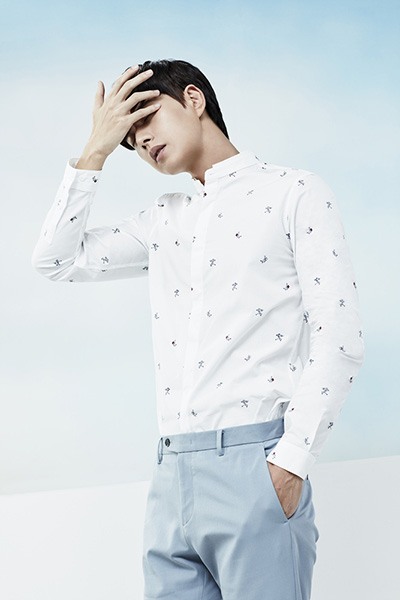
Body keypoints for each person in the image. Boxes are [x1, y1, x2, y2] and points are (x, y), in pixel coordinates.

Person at [31, 59, 365, 600]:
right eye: (129, 139)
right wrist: (95, 150)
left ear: (193, 98)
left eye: (147, 119)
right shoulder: (165, 219)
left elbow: (340, 338)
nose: (142, 142)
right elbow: (56, 260)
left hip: (256, 467)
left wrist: (290, 464)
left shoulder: (294, 192)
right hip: (170, 477)